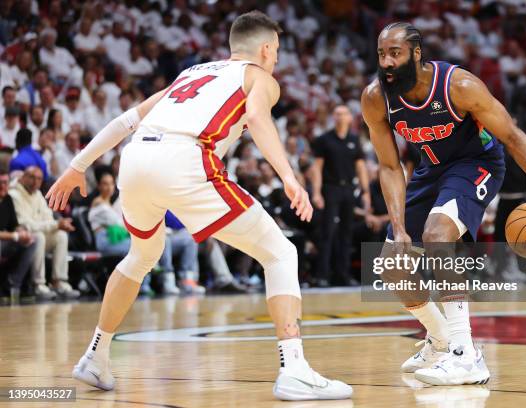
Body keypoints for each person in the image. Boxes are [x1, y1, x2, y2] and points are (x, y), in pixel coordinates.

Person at [46, 11, 352, 401]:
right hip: (187, 158)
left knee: (142, 256)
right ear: (265, 49)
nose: (275, 59)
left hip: (136, 158)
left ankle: (95, 356)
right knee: (280, 253)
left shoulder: (192, 72)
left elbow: (127, 121)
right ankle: (294, 369)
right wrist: (290, 177)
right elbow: (257, 118)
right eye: (275, 52)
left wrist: (77, 167)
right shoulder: (260, 77)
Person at [361, 23, 526, 386]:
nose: (387, 62)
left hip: (478, 163)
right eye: (382, 54)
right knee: (392, 265)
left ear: (416, 53)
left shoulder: (459, 86)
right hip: (432, 170)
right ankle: (441, 340)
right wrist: (397, 227)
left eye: (395, 53)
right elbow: (390, 166)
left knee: (438, 235)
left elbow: (512, 136)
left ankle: (466, 356)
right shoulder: (376, 98)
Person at [310, 105, 369, 287]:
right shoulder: (324, 140)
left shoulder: (354, 139)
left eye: (343, 113)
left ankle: (342, 275)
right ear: (332, 118)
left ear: (350, 118)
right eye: (336, 114)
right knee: (327, 232)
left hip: (348, 190)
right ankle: (322, 275)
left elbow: (360, 167)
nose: (339, 116)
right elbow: (317, 168)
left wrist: (365, 191)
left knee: (346, 232)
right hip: (330, 189)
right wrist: (317, 192)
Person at [10, 166, 79, 299]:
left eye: (39, 179)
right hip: (20, 240)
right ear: (23, 177)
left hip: (36, 236)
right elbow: (26, 225)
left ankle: (58, 282)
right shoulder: (14, 195)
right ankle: (38, 284)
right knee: (39, 237)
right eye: (32, 177)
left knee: (61, 235)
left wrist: (57, 225)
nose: (35, 182)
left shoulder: (38, 195)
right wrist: (55, 224)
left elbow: (49, 219)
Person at [0, 169, 37, 303]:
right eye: (0, 183)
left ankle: (12, 285)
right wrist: (16, 236)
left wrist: (22, 232)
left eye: (5, 182)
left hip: (6, 241)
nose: (3, 186)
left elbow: (14, 224)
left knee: (33, 240)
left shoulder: (8, 199)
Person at [88, 172, 130, 257]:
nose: (109, 187)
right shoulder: (98, 202)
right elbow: (118, 223)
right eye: (105, 184)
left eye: (111, 183)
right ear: (99, 186)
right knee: (138, 247)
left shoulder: (109, 204)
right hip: (104, 240)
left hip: (114, 238)